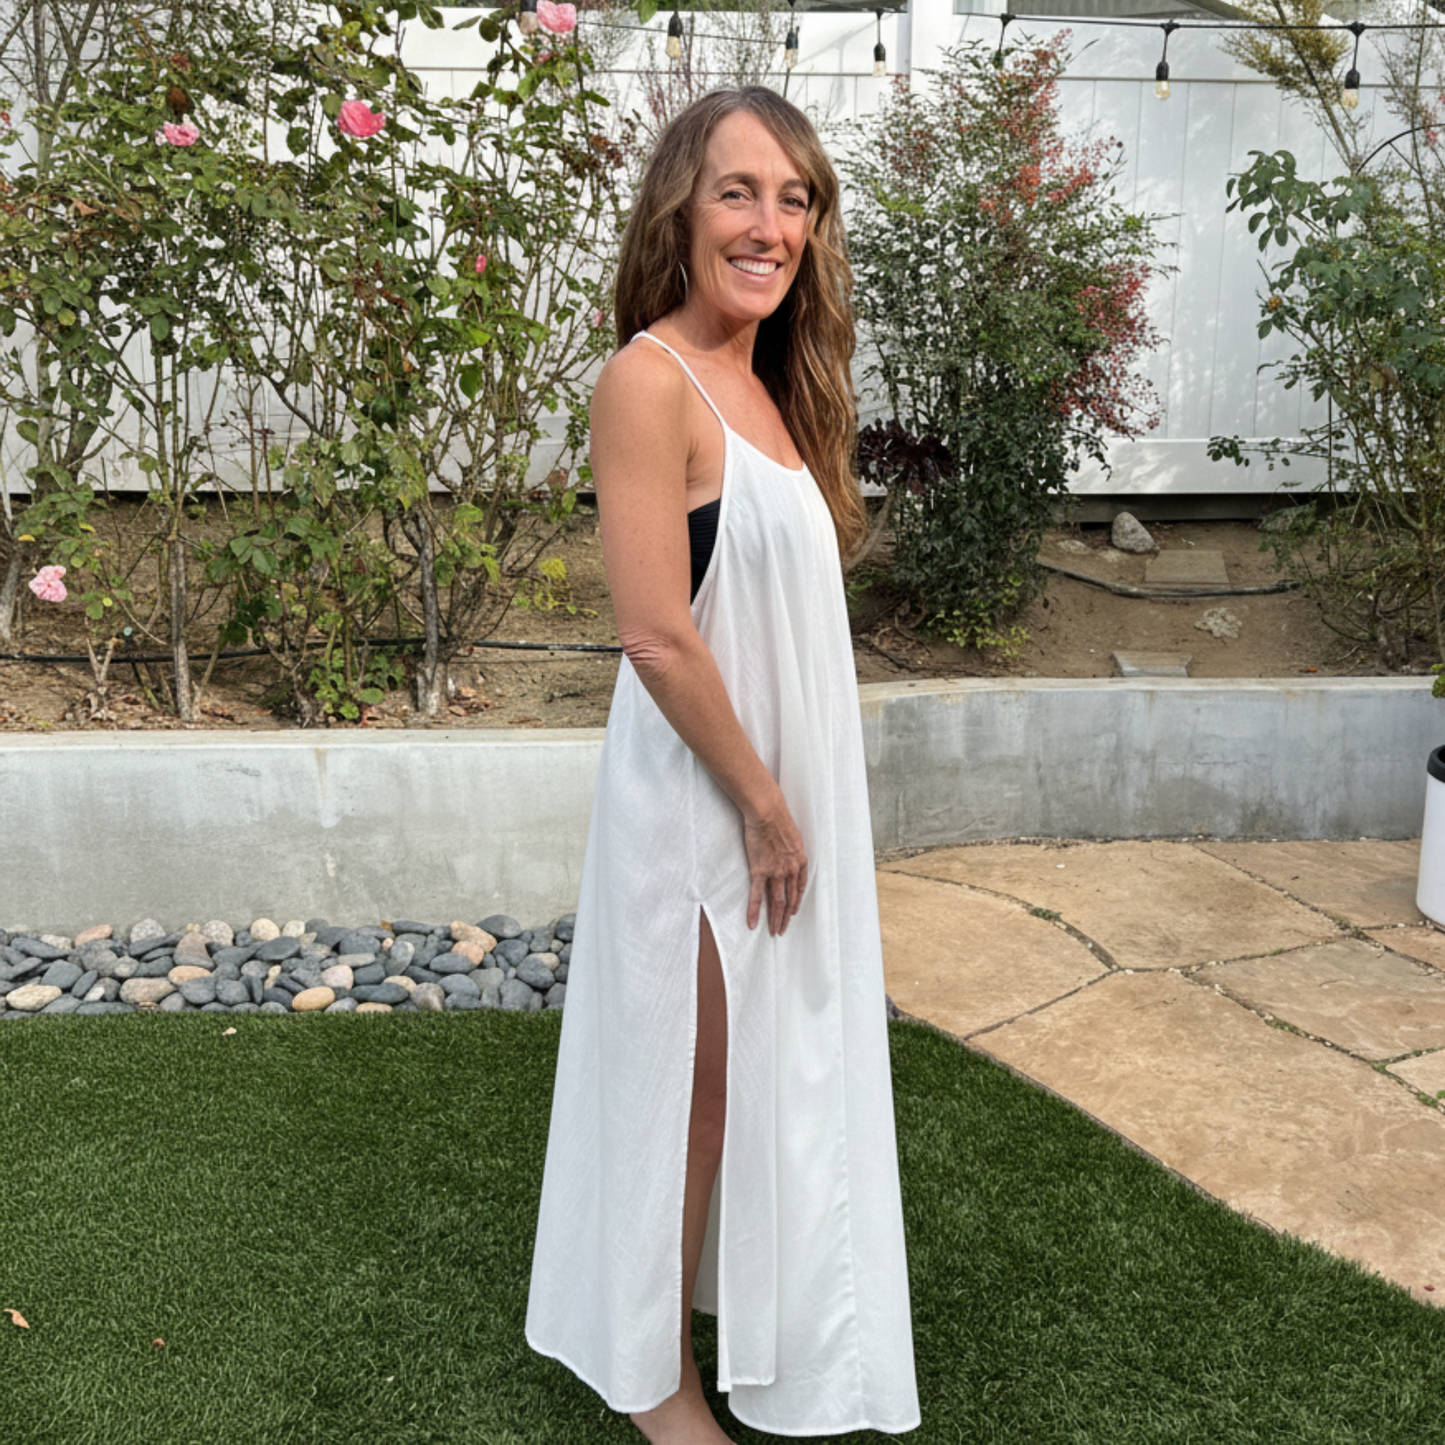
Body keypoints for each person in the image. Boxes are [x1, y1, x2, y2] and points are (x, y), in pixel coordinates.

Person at [526, 86, 920, 1443]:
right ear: (680, 214)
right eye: (739, 192)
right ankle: (654, 1383)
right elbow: (654, 634)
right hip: (701, 802)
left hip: (767, 788)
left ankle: (728, 1318)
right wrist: (764, 804)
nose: (770, 224)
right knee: (689, 1089)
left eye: (795, 197)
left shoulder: (769, 384)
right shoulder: (650, 380)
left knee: (755, 1080)